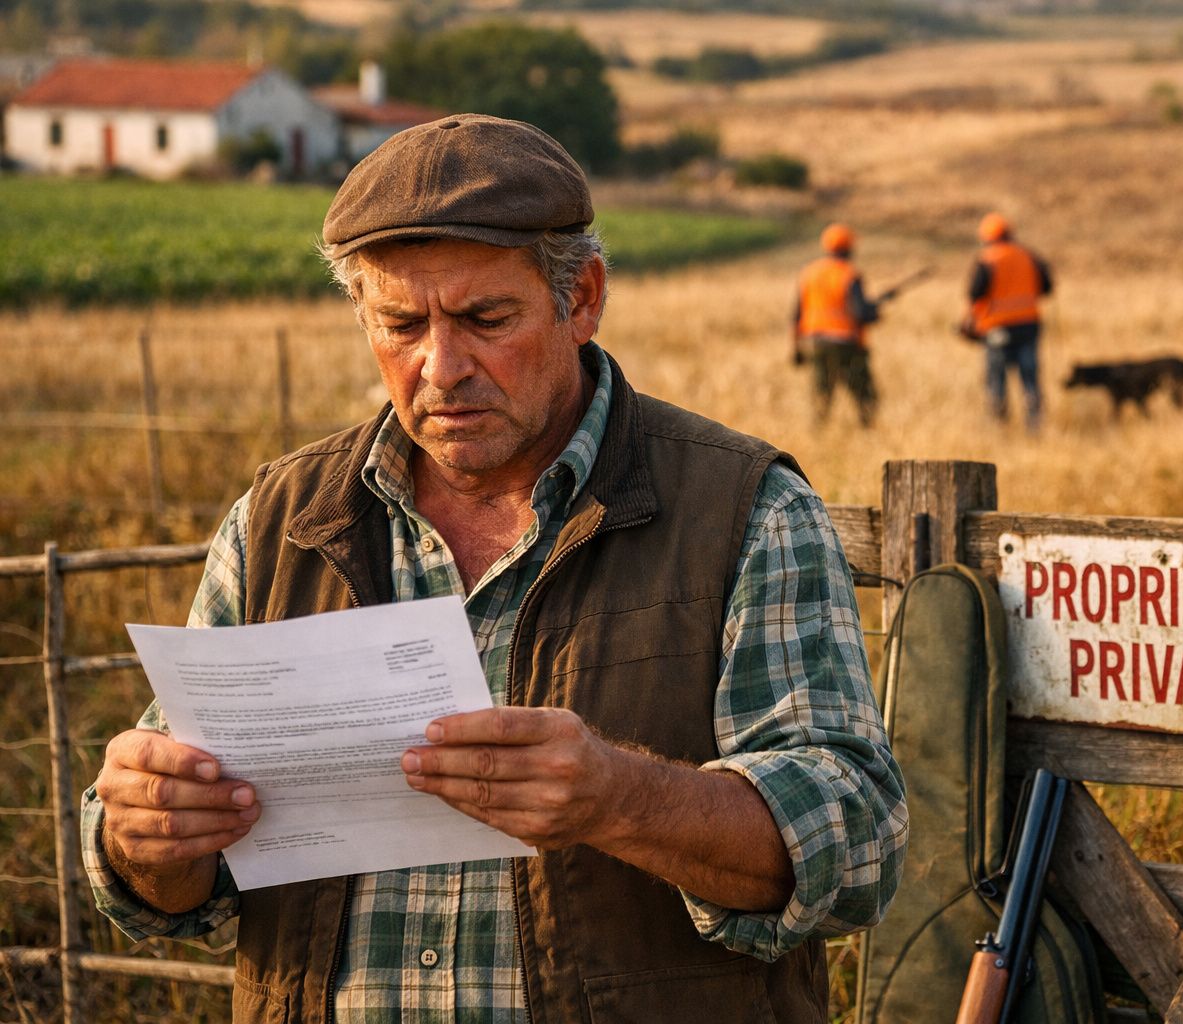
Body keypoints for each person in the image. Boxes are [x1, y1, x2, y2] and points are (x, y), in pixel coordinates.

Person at [81, 114, 907, 1023]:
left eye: (486, 319)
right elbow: (165, 889)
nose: (441, 367)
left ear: (582, 298)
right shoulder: (278, 523)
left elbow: (858, 846)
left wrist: (620, 797)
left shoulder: (746, 510)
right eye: (400, 323)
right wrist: (147, 836)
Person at [962, 212, 1054, 431]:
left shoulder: (987, 259)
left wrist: (969, 322)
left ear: (986, 236)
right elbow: (1047, 287)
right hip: (1029, 326)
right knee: (1029, 377)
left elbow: (975, 293)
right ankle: (1035, 424)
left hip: (997, 328)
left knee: (996, 378)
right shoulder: (1029, 256)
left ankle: (998, 426)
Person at [793, 223, 882, 427]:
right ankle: (866, 428)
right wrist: (874, 312)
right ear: (849, 247)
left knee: (821, 392)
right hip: (845, 342)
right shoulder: (849, 274)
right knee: (863, 392)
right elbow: (860, 313)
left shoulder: (809, 272)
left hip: (816, 341)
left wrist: (795, 347)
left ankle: (819, 429)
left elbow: (796, 314)